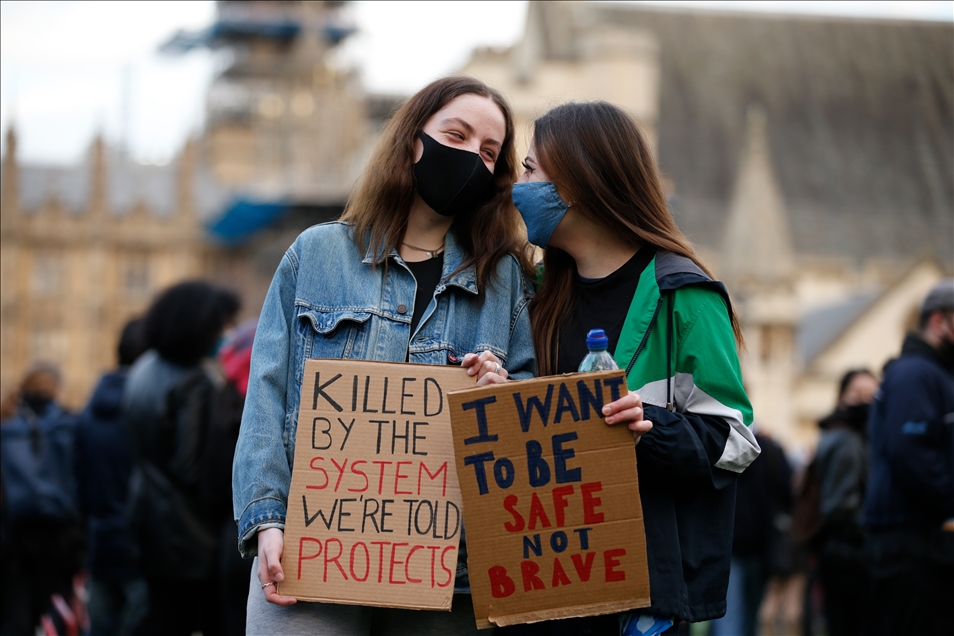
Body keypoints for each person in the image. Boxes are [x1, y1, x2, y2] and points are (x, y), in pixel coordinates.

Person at [232, 76, 538, 635]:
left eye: (489, 153)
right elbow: (266, 400)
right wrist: (267, 521)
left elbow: (528, 432)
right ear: (412, 139)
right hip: (311, 554)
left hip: (451, 576)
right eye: (458, 134)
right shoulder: (316, 254)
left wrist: (501, 399)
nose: (471, 156)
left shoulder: (506, 282)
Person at [499, 100, 760, 635]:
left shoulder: (684, 297)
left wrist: (649, 427)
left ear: (576, 180)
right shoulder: (535, 294)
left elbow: (736, 440)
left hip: (638, 599)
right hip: (543, 578)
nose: (517, 187)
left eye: (529, 170)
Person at [123, 280, 240, 636]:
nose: (225, 333)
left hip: (148, 517)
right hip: (188, 537)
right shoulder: (194, 383)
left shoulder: (145, 367)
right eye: (220, 324)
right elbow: (192, 470)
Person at [863, 279, 954, 635]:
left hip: (922, 539)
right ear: (938, 322)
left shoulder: (936, 374)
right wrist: (949, 502)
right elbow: (909, 451)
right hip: (911, 541)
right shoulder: (916, 372)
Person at [75, 318, 149, 636]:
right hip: (139, 545)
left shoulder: (88, 413)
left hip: (99, 540)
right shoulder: (145, 408)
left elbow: (78, 479)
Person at [0, 364, 85, 636]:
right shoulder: (66, 424)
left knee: (17, 610)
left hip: (15, 535)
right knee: (56, 610)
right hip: (58, 534)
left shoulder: (8, 425)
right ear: (55, 389)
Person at [808, 369, 878, 636]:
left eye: (871, 394)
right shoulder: (846, 441)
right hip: (848, 558)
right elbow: (840, 505)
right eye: (857, 394)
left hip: (843, 554)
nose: (865, 401)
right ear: (841, 398)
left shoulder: (846, 435)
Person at [710, 430, 794, 636]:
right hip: (758, 545)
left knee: (732, 618)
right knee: (746, 619)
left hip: (731, 545)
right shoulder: (768, 446)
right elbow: (788, 493)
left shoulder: (713, 442)